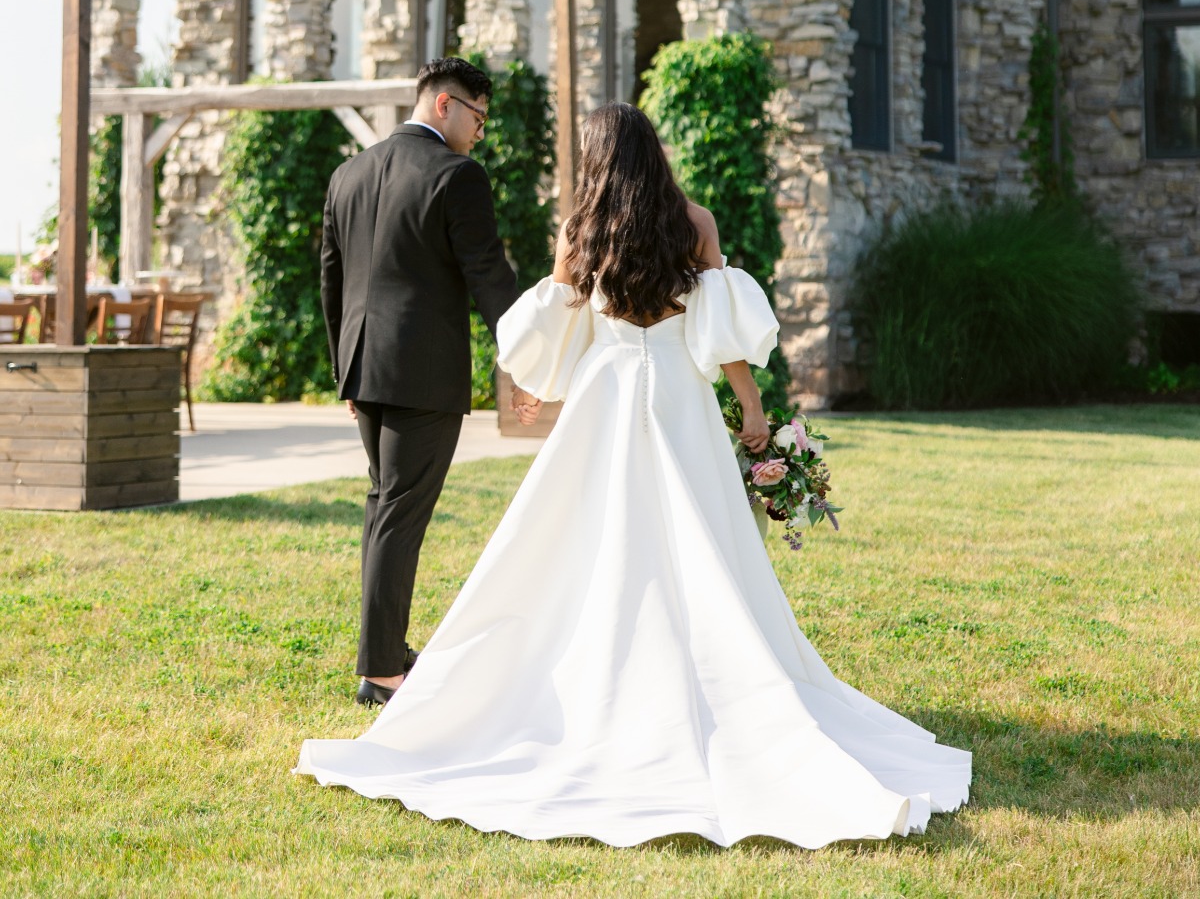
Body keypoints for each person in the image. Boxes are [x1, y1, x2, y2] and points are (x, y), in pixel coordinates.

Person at [299, 102, 971, 848]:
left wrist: (532, 381)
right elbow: (722, 331)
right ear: (653, 153)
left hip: (606, 399)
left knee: (589, 545)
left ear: (597, 160)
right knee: (700, 547)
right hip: (680, 400)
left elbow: (555, 323)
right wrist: (750, 406)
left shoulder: (581, 231)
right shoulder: (693, 223)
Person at [319, 55, 520, 706]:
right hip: (422, 376)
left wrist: (343, 370)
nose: (479, 133)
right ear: (444, 104)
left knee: (386, 509)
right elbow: (489, 276)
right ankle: (381, 671)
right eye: (478, 117)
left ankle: (386, 653)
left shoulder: (348, 172)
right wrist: (524, 358)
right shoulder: (458, 176)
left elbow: (331, 280)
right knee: (397, 517)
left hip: (366, 369)